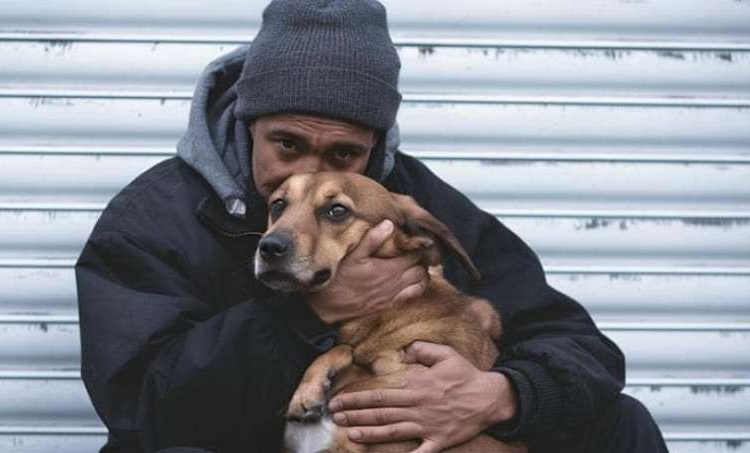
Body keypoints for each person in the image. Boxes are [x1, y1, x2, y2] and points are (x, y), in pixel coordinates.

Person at [75, 1, 669, 452]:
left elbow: (573, 341)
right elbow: (138, 404)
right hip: (245, 435)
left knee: (621, 423)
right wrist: (307, 315)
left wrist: (500, 395)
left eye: (343, 156)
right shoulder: (153, 219)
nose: (306, 176)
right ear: (248, 123)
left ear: (374, 146)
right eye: (287, 145)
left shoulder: (408, 201)